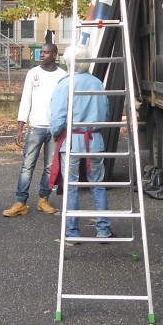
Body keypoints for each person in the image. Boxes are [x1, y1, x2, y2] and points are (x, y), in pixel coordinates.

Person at [50, 46, 112, 239]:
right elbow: (105, 113)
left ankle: (72, 231)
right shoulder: (97, 83)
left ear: (68, 63)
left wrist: (55, 134)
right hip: (94, 140)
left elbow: (58, 117)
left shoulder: (65, 84)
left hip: (71, 141)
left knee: (71, 186)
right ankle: (103, 229)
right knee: (98, 184)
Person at [3, 43, 67, 217]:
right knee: (27, 166)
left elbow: (66, 103)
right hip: (36, 127)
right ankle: (20, 202)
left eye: (46, 53)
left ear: (55, 55)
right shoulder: (33, 73)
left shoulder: (63, 76)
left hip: (55, 129)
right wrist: (20, 127)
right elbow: (26, 100)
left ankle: (43, 200)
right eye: (41, 52)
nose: (42, 55)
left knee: (49, 167)